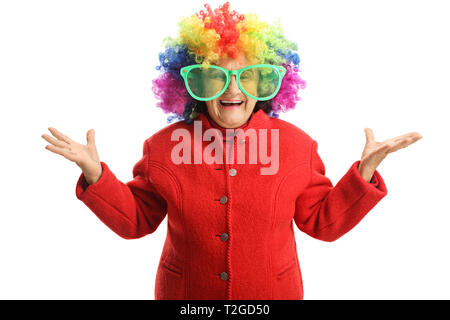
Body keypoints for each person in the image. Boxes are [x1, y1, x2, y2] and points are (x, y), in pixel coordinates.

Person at [41, 2, 422, 300]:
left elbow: (322, 224)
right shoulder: (163, 148)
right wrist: (95, 173)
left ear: (265, 81)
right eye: (215, 76)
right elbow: (137, 221)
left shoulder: (296, 146)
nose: (231, 89)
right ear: (192, 83)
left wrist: (365, 174)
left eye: (247, 76)